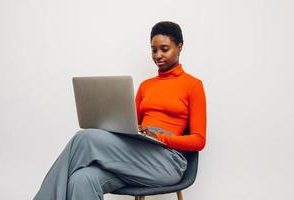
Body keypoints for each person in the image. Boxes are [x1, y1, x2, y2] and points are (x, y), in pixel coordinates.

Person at [33, 21, 207, 200]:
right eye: (154, 50)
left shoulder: (193, 85)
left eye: (164, 49)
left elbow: (199, 140)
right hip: (137, 152)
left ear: (179, 47)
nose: (158, 55)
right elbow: (129, 125)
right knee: (82, 179)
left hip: (166, 162)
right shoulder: (146, 86)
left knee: (83, 138)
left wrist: (161, 138)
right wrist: (126, 128)